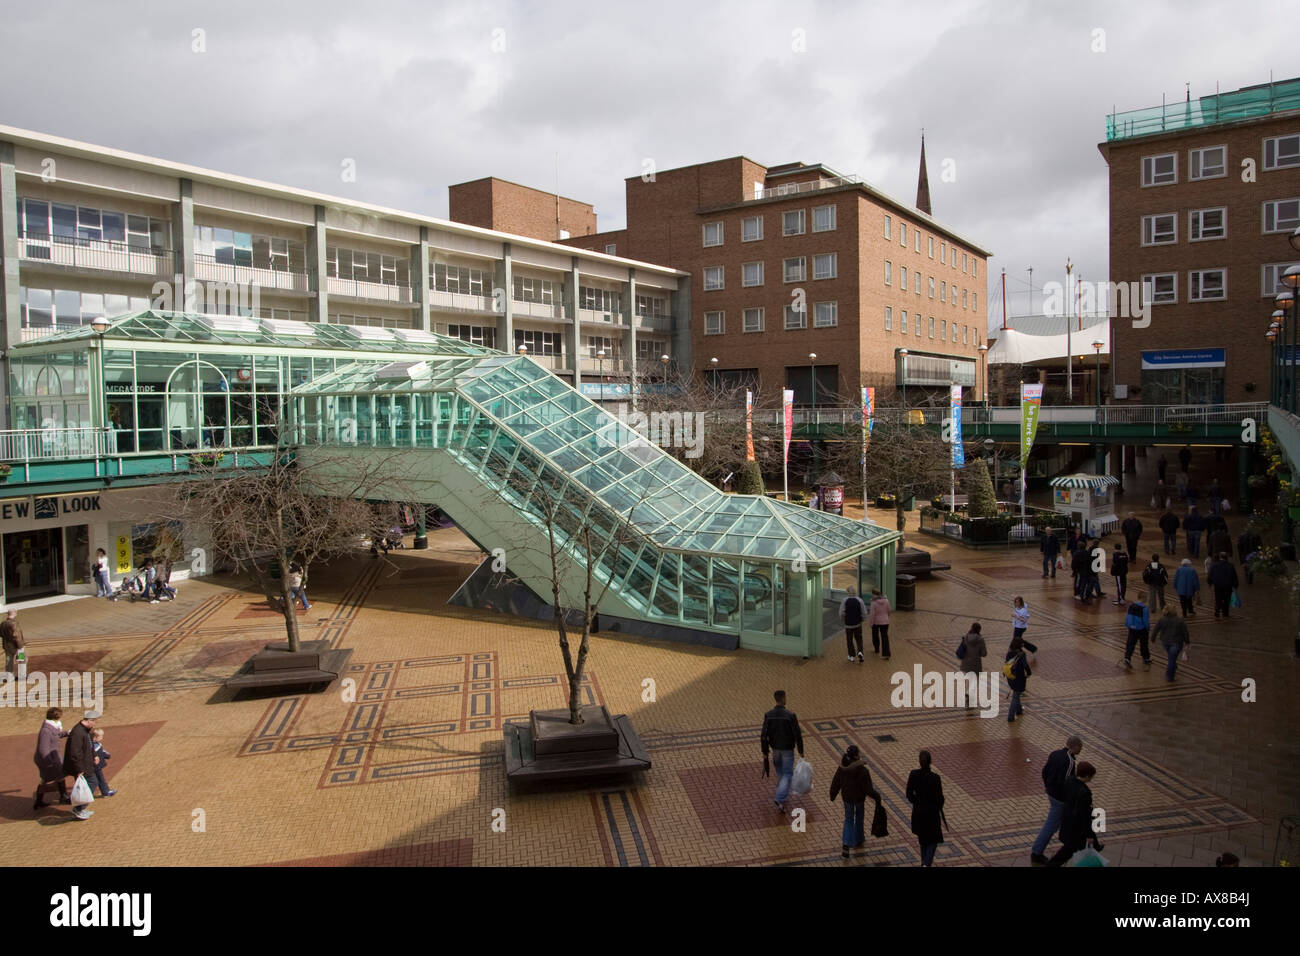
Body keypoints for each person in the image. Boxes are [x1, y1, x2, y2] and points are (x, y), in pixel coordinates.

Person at [1030, 735, 1083, 865]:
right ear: (1075, 746)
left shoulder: (1054, 754)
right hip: (1060, 798)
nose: (1080, 750)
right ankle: (1037, 852)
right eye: (1080, 748)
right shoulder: (1070, 761)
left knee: (1055, 823)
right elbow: (1067, 782)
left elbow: (1044, 771)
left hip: (1052, 794)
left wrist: (1048, 787)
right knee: (1051, 825)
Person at [1047, 761, 1104, 866]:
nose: (1091, 779)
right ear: (1086, 776)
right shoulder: (1084, 793)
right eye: (1091, 776)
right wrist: (1089, 835)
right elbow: (1085, 817)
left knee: (1068, 850)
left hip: (1068, 822)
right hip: (1077, 830)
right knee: (1068, 851)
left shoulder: (1069, 781)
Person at [829, 744, 879, 858]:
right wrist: (877, 797)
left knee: (849, 819)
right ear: (857, 756)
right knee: (859, 817)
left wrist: (832, 795)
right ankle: (858, 838)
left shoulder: (842, 768)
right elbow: (868, 789)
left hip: (847, 798)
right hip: (859, 799)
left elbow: (836, 782)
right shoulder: (863, 770)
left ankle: (846, 844)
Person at [760, 690, 804, 814]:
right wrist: (801, 750)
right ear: (783, 699)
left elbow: (763, 735)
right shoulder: (790, 715)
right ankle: (780, 798)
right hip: (787, 750)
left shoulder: (769, 715)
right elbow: (797, 734)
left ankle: (781, 799)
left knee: (780, 772)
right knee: (787, 774)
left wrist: (764, 751)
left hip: (775, 750)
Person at [906, 750, 945, 867]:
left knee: (923, 839)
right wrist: (938, 807)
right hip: (932, 813)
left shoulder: (913, 774)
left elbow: (909, 794)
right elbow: (940, 798)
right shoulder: (935, 778)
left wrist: (916, 802)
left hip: (919, 812)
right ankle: (926, 863)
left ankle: (924, 862)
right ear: (930, 762)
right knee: (933, 839)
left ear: (919, 761)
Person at [62, 710, 100, 821]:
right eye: (94, 722)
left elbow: (89, 744)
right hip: (82, 766)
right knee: (91, 783)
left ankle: (80, 808)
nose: (95, 724)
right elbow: (75, 753)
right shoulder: (78, 733)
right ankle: (79, 809)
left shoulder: (84, 730)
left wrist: (94, 755)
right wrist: (79, 769)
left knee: (87, 785)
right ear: (89, 720)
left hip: (86, 764)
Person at [32, 707, 70, 809]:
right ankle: (63, 796)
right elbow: (42, 749)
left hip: (52, 758)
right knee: (53, 777)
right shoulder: (46, 731)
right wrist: (49, 763)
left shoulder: (51, 727)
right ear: (56, 717)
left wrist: (67, 733)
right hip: (49, 760)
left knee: (50, 778)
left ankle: (40, 801)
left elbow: (56, 735)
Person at [1004, 635, 1037, 723]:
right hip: (1019, 677)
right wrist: (1029, 673)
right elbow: (1025, 665)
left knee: (1016, 692)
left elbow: (1006, 663)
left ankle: (1019, 710)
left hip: (1010, 676)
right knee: (1015, 695)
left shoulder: (1009, 653)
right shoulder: (1021, 654)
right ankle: (1011, 716)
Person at [1153, 605, 1190, 682]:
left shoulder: (1162, 619)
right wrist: (1187, 642)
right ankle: (1169, 676)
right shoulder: (1180, 621)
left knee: (1171, 657)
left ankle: (1173, 667)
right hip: (1176, 642)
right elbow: (1185, 632)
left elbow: (1156, 629)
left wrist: (1153, 638)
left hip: (1165, 642)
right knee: (1172, 659)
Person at [959, 622, 987, 710]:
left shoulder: (966, 637)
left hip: (966, 663)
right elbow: (984, 653)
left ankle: (969, 696)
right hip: (975, 664)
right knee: (974, 682)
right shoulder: (981, 639)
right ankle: (969, 697)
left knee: (970, 680)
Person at [1207, 552, 1239, 620]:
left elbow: (1210, 575)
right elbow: (1234, 576)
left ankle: (1217, 610)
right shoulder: (1230, 565)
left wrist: (1210, 582)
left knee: (1218, 598)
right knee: (1227, 599)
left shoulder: (1214, 565)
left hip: (1218, 585)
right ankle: (1225, 613)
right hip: (1228, 586)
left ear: (1220, 557)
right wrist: (1235, 585)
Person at [1122, 598, 1152, 669]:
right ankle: (1146, 658)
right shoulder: (1144, 608)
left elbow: (1128, 616)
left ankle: (1127, 658)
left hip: (1132, 628)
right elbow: (1145, 620)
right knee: (1144, 644)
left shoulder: (1131, 606)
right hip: (1141, 629)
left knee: (1130, 643)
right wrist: (1147, 628)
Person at [90, 727, 117, 797]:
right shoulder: (96, 746)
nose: (102, 737)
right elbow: (103, 752)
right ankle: (105, 792)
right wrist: (108, 756)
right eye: (101, 736)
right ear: (95, 737)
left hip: (93, 766)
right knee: (99, 779)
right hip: (96, 766)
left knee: (96, 779)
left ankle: (104, 791)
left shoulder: (92, 744)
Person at [1, 609, 26, 681]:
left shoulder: (3, 623)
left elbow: (1, 634)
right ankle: (22, 676)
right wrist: (20, 647)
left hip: (7, 645)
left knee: (9, 661)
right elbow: (17, 637)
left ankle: (9, 677)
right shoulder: (14, 624)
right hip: (17, 645)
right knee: (22, 659)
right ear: (14, 614)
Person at [868, 588, 892, 660]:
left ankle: (877, 649)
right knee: (885, 637)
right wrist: (886, 617)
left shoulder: (873, 602)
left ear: (874, 594)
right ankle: (886, 653)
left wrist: (871, 623)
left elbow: (872, 614)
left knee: (875, 635)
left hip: (876, 622)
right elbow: (889, 611)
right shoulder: (886, 600)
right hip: (885, 621)